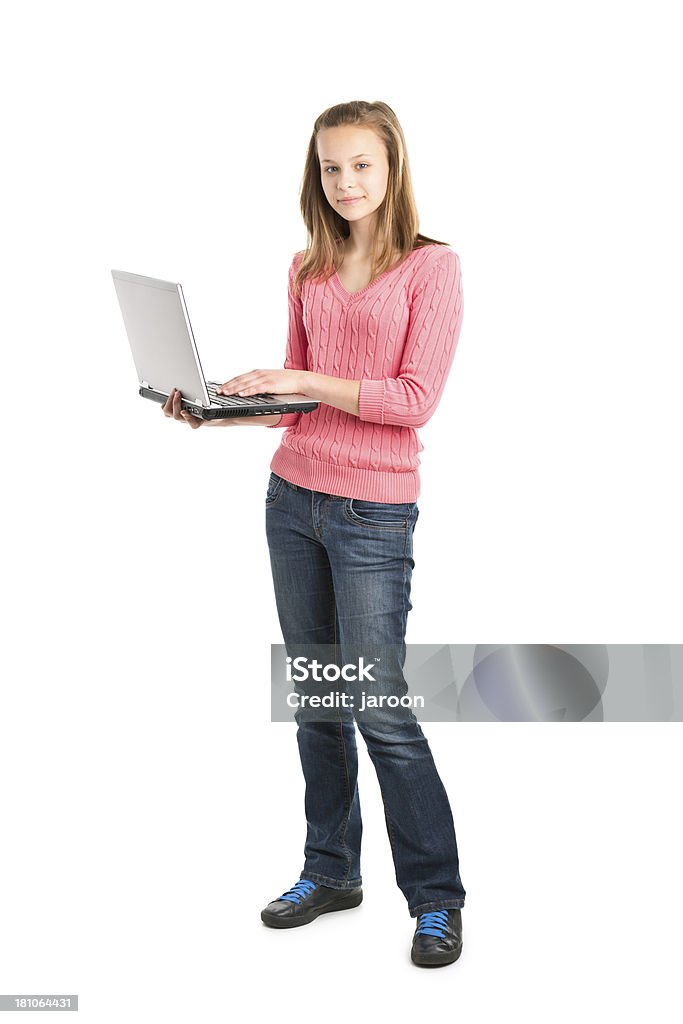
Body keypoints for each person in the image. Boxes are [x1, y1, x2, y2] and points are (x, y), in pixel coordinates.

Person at [162, 99, 466, 968]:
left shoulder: (430, 269)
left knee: (377, 704)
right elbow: (301, 404)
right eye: (331, 168)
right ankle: (330, 868)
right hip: (292, 500)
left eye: (361, 165)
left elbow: (412, 400)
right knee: (320, 701)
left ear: (392, 168)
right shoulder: (306, 266)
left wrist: (299, 373)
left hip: (373, 510)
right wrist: (217, 415)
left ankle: (436, 899)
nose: (346, 183)